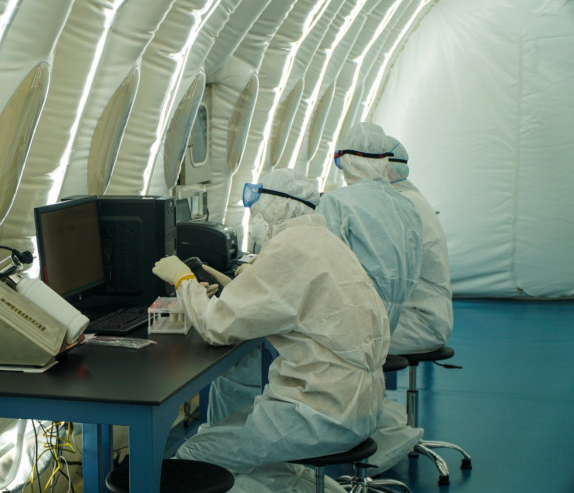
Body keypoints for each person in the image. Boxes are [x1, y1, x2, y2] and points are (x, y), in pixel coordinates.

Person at [152, 169, 390, 489]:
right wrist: (233, 287)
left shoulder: (290, 248)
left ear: (278, 206)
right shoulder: (322, 240)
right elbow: (284, 302)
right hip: (357, 403)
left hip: (321, 413)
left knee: (194, 454)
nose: (254, 217)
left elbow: (215, 327)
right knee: (234, 440)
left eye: (256, 208)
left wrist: (182, 279)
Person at [315, 122, 425, 475]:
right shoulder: (405, 204)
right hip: (389, 316)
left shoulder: (336, 202)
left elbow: (320, 265)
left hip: (351, 317)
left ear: (344, 160)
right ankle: (380, 433)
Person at [383, 137, 453, 354]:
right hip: (424, 314)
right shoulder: (410, 198)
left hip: (418, 322)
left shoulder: (402, 205)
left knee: (333, 339)